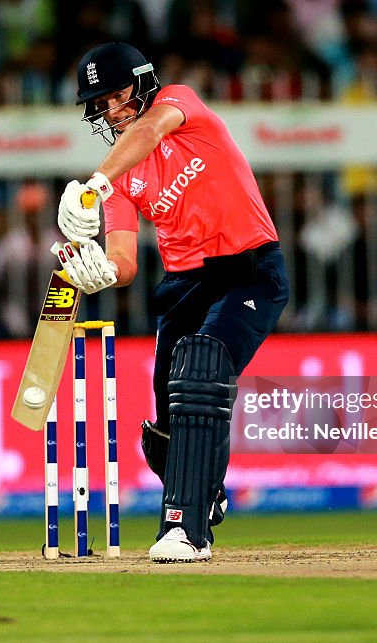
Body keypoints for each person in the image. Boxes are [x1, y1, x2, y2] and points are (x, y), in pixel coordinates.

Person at [54, 42, 290, 562]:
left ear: (142, 84)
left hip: (247, 270)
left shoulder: (180, 106)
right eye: (100, 104)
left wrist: (94, 182)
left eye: (117, 96)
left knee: (201, 368)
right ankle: (207, 491)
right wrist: (96, 272)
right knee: (165, 424)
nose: (110, 111)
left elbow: (147, 131)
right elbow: (125, 262)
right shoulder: (116, 182)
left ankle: (186, 530)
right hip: (183, 287)